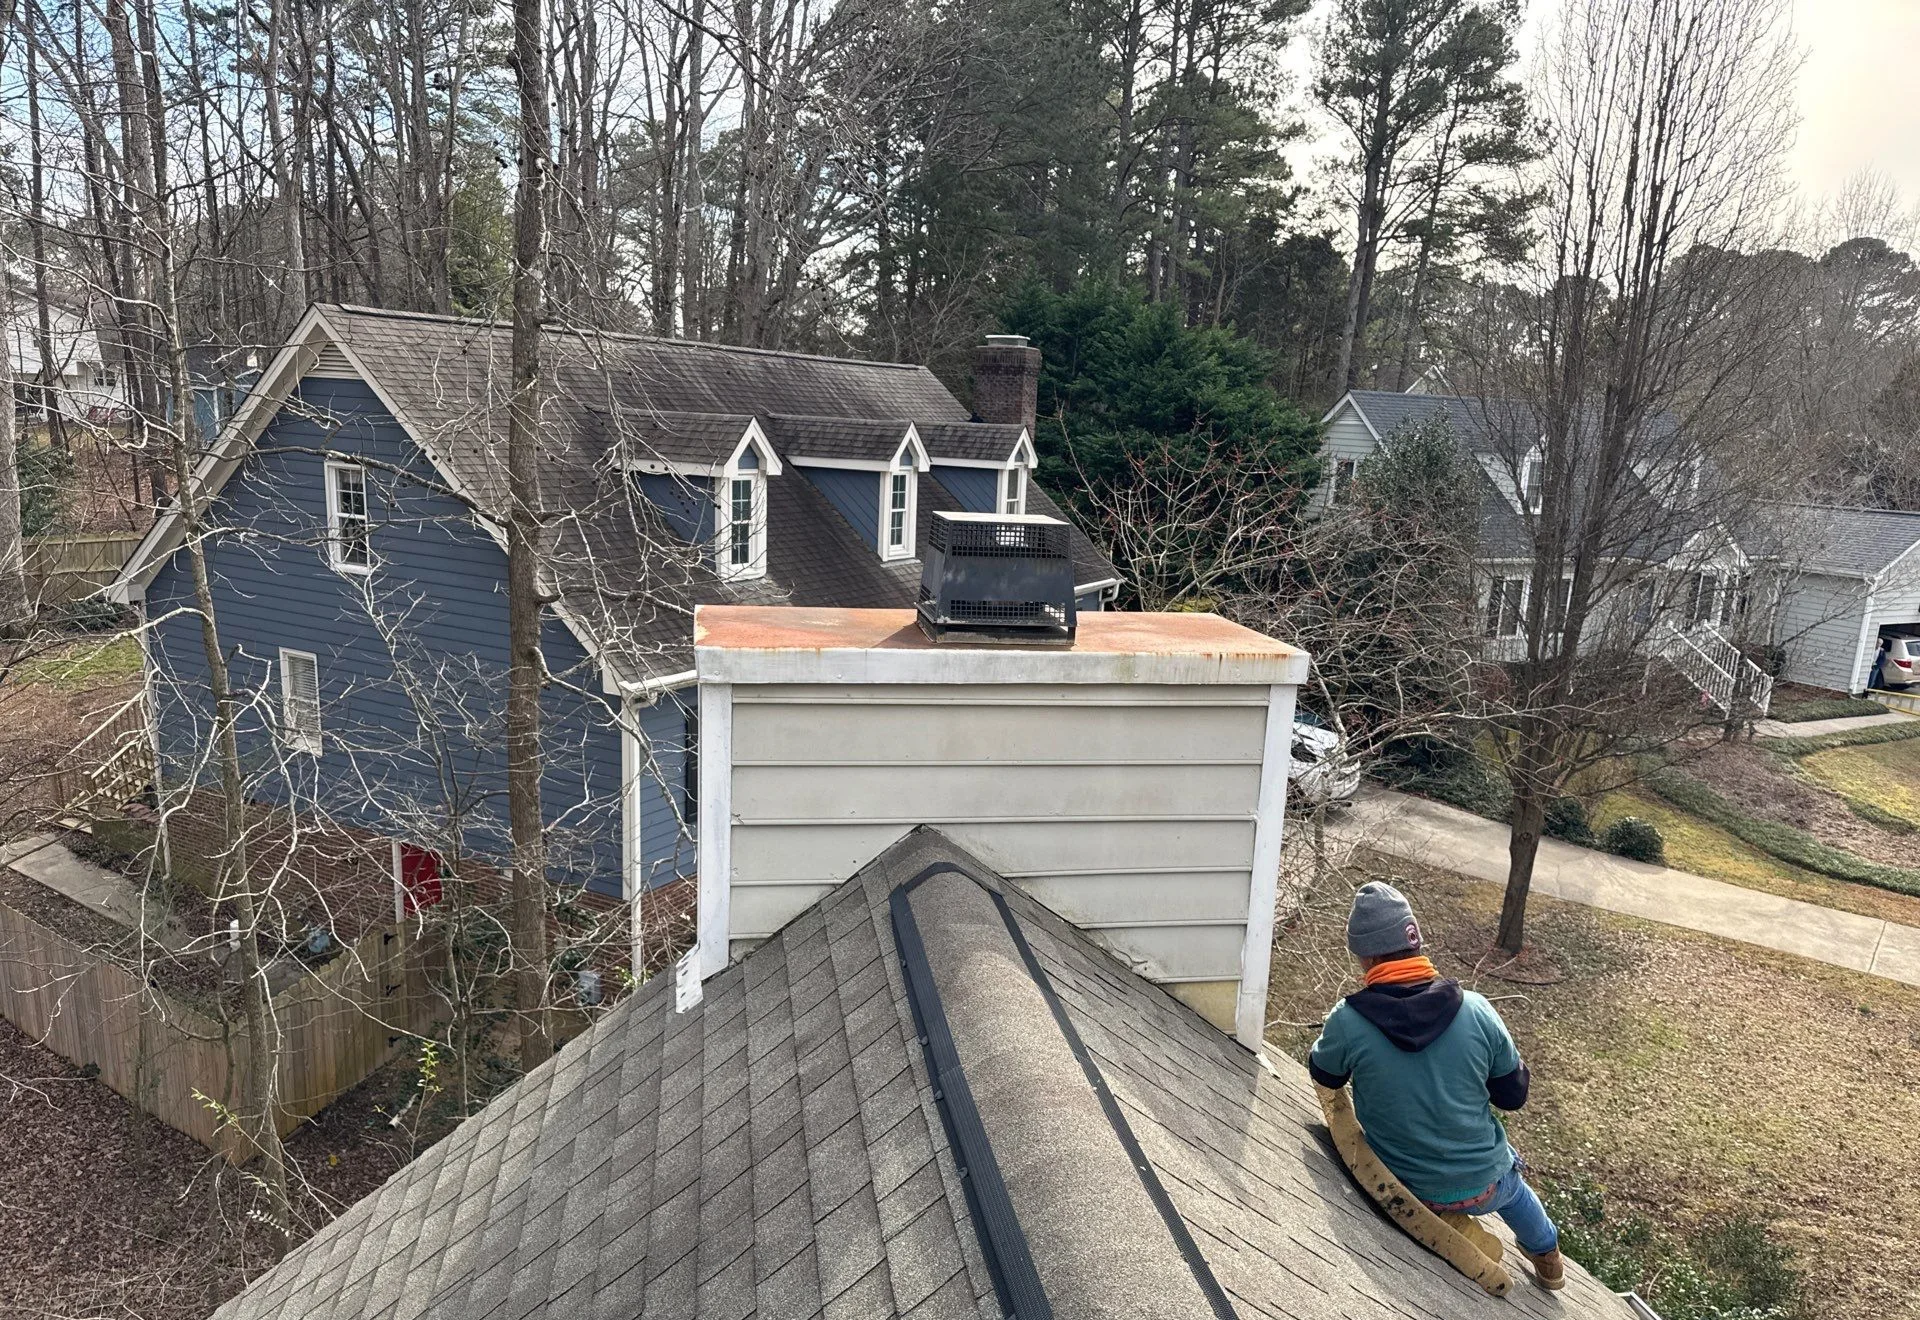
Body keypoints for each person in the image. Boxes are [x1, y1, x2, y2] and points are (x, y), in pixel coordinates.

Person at [1307, 881, 1565, 1291]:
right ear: (1417, 942)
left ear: (1365, 956)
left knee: (1444, 1178)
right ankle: (1548, 1258)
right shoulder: (1478, 1012)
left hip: (1405, 1179)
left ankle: (1457, 1223)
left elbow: (1324, 1075)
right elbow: (1512, 1097)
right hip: (1486, 1184)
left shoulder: (1348, 1021)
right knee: (1515, 1190)